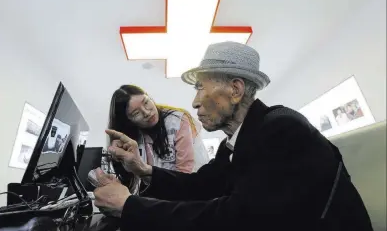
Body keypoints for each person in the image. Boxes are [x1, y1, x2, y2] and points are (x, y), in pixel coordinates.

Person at [94, 42, 373, 231]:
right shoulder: (237, 142)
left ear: (235, 90)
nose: (194, 102)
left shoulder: (283, 130)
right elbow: (201, 186)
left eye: (201, 88)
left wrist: (130, 206)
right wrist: (142, 169)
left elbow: (235, 218)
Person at [107, 85, 209, 192]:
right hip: (155, 191)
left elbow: (184, 172)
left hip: (185, 190)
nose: (146, 113)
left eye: (146, 102)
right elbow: (131, 181)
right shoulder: (130, 137)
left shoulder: (178, 121)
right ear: (128, 121)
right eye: (136, 113)